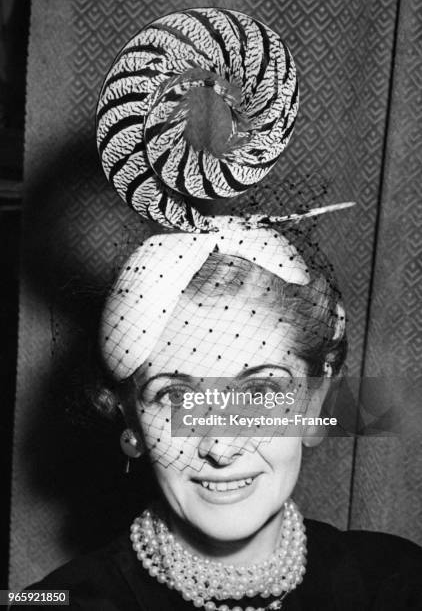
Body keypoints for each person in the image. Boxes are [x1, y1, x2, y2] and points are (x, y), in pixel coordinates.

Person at [15, 225, 422, 611]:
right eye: (175, 396)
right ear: (132, 421)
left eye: (259, 391)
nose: (220, 447)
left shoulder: (398, 583)